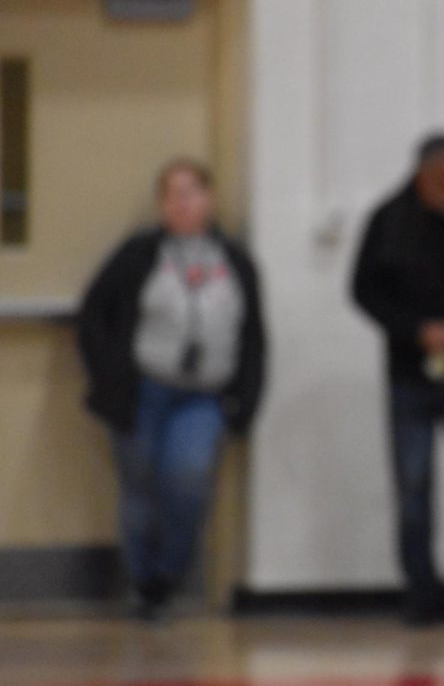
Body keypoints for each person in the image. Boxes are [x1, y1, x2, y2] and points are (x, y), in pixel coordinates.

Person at [78, 159, 266, 619]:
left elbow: (255, 336)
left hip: (204, 396)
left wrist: (246, 403)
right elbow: (93, 316)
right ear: (161, 205)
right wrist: (108, 379)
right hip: (145, 392)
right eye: (171, 194)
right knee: (139, 490)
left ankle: (168, 577)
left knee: (188, 481)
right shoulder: (139, 253)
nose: (182, 203)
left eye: (191, 192)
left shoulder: (234, 259)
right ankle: (142, 584)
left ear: (210, 198)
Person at [351, 132, 444, 623]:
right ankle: (420, 594)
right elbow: (364, 290)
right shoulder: (388, 221)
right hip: (410, 373)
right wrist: (417, 330)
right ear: (420, 177)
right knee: (413, 489)